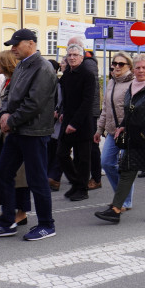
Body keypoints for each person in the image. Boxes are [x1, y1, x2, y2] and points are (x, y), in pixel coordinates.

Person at [0, 29, 58, 241]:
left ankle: (46, 224)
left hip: (34, 131)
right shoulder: (23, 65)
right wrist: (4, 113)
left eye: (16, 44)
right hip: (17, 130)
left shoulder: (43, 67)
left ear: (31, 43)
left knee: (37, 179)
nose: (12, 48)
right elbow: (9, 96)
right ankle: (8, 221)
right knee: (2, 173)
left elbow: (35, 103)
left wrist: (9, 120)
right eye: (11, 44)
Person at [94, 55, 145, 224]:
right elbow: (129, 111)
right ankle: (115, 210)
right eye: (137, 68)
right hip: (134, 137)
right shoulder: (132, 86)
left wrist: (144, 134)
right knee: (127, 171)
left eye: (144, 67)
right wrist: (123, 125)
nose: (140, 71)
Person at [57, 44, 96, 202]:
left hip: (82, 123)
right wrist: (62, 113)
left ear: (82, 57)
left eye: (75, 55)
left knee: (83, 159)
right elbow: (65, 99)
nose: (72, 57)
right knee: (61, 154)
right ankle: (76, 183)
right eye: (70, 55)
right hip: (67, 120)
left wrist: (74, 123)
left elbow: (87, 102)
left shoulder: (87, 74)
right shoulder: (67, 74)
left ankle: (82, 189)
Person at [94, 52, 135, 206]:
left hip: (128, 132)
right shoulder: (112, 82)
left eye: (121, 64)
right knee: (106, 163)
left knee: (125, 168)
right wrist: (99, 130)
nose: (116, 66)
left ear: (129, 66)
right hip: (112, 131)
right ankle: (121, 196)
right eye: (114, 63)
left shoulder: (133, 83)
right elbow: (105, 108)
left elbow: (134, 109)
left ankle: (124, 201)